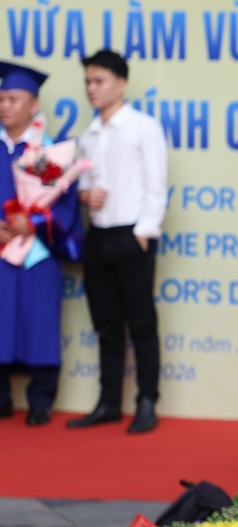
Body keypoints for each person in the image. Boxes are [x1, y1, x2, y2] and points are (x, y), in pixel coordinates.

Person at [66, 49, 168, 434]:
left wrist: (142, 233)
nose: (91, 88)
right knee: (106, 325)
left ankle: (147, 401)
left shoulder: (143, 127)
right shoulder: (90, 135)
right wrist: (83, 195)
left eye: (99, 81)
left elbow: (156, 186)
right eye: (87, 82)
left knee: (141, 323)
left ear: (121, 83)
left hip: (131, 235)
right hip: (98, 236)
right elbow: (83, 185)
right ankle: (108, 402)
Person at [0, 62, 81, 426]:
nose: (5, 106)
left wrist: (33, 222)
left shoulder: (48, 153)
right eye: (1, 99)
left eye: (13, 99)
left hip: (38, 253)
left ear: (34, 105)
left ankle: (41, 401)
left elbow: (65, 205)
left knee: (40, 321)